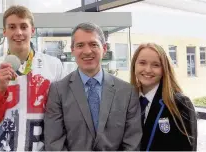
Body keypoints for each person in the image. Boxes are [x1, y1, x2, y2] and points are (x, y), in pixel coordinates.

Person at [44, 22, 142, 151]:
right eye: (80, 45)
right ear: (72, 50)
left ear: (104, 48)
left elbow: (132, 143)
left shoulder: (127, 92)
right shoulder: (58, 91)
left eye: (93, 44)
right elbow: (54, 143)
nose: (87, 51)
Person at [0, 5, 63, 151]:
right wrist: (0, 90)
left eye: (24, 26)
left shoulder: (53, 65)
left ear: (32, 30)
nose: (18, 32)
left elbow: (60, 118)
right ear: (4, 32)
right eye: (12, 27)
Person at [130, 43, 197, 151]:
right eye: (142, 63)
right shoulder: (126, 100)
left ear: (164, 69)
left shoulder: (179, 103)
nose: (148, 70)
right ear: (134, 65)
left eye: (156, 65)